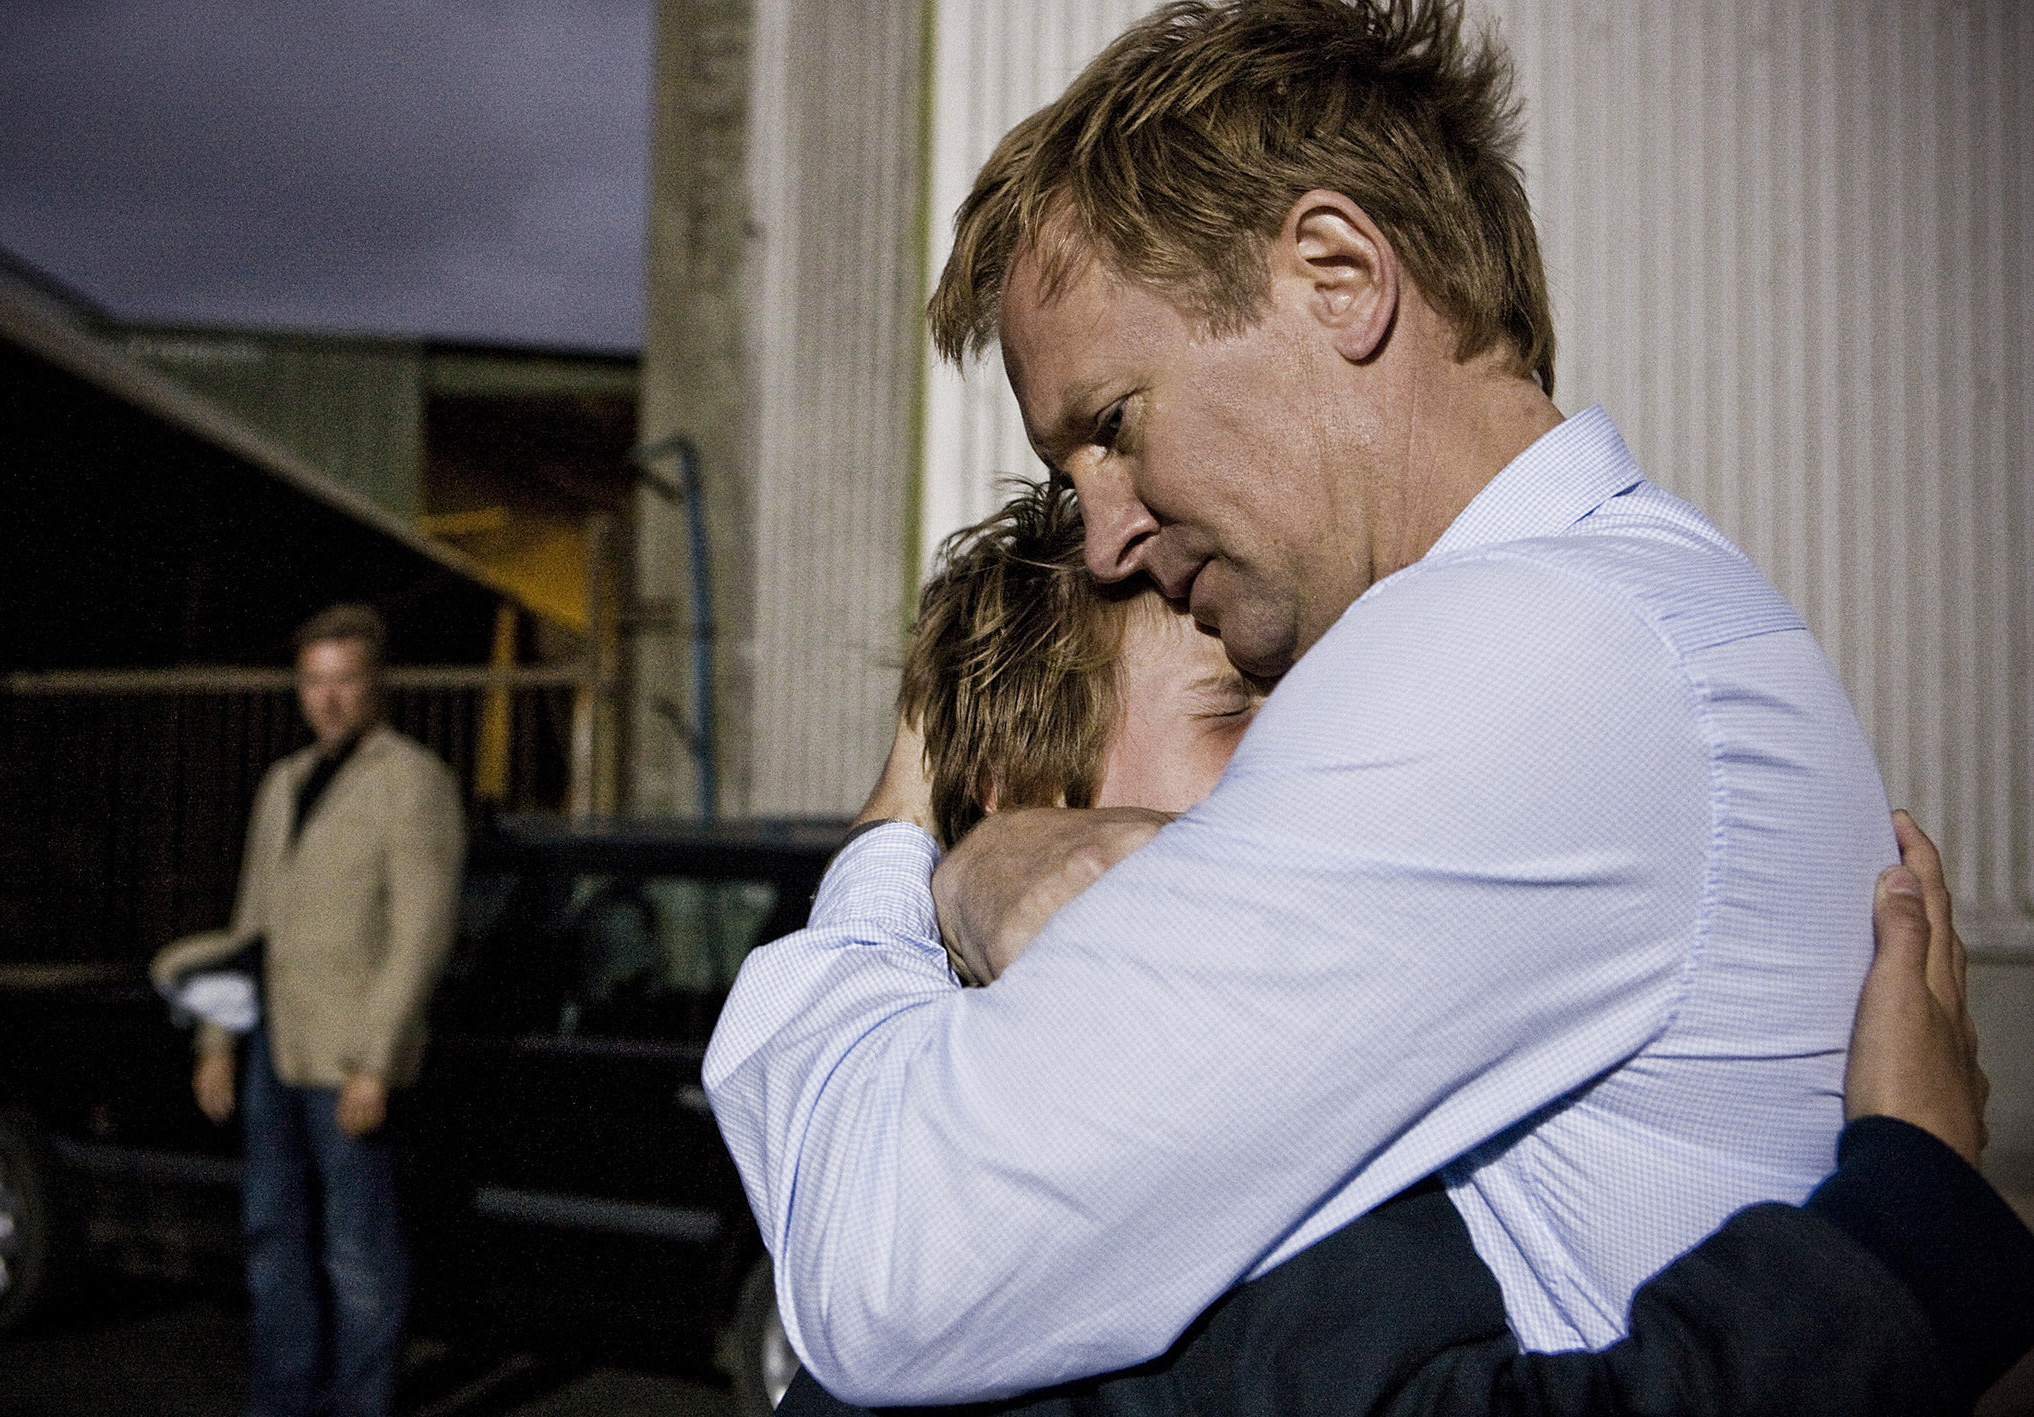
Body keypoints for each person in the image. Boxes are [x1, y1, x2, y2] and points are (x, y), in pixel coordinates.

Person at [703, 0, 2029, 1407]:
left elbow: (887, 1270)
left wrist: (893, 871)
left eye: (1111, 425)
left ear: (1337, 274)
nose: (1101, 536)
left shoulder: (1521, 649)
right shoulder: (1600, 622)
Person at [765, 482, 2031, 1415]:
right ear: (1020, 782)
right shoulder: (1133, 1154)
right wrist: (1907, 1223)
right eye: (1245, 716)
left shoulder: (934, 1158)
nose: (1326, 771)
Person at [154, 603, 465, 1417]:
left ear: (376, 685)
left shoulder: (412, 781)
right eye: (314, 681)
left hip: (347, 1059)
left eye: (346, 681)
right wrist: (217, 1036)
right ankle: (284, 1400)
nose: (328, 699)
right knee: (272, 1237)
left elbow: (421, 933)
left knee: (358, 1252)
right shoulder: (284, 782)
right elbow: (251, 926)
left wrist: (377, 1058)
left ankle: (361, 1403)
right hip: (274, 1048)